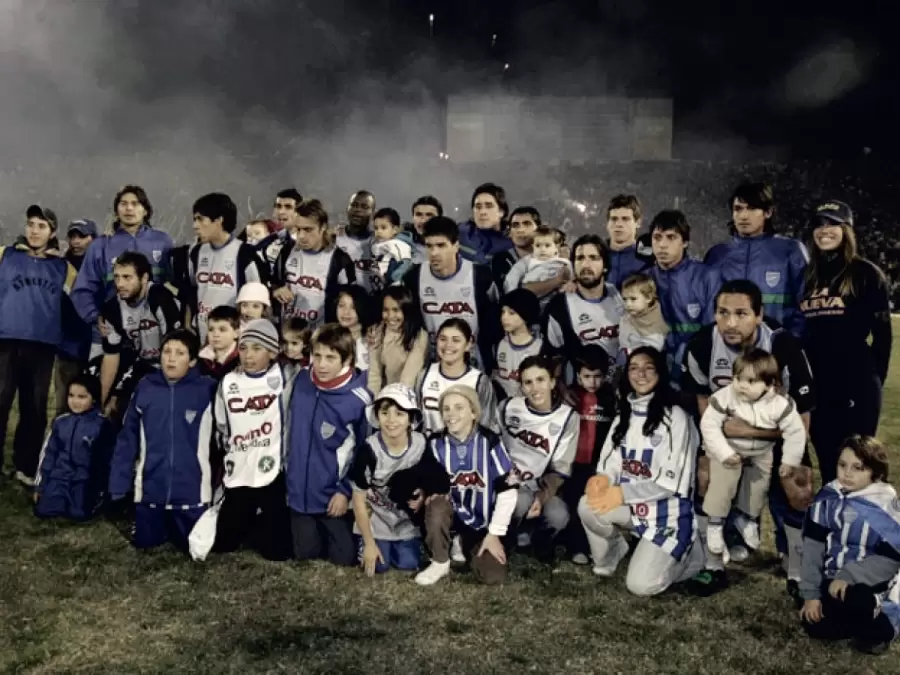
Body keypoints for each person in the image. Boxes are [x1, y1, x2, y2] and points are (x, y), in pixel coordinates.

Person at [681, 279, 816, 598]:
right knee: (706, 483)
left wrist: (786, 459)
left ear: (759, 315)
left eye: (741, 313)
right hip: (726, 438)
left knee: (798, 492)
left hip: (780, 435)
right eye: (723, 313)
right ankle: (712, 566)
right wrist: (709, 452)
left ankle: (796, 569)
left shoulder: (783, 346)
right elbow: (704, 406)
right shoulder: (702, 345)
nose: (730, 322)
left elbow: (803, 417)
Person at [578, 347, 704, 595]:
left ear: (660, 373)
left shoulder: (676, 417)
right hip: (635, 509)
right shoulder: (624, 413)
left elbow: (670, 484)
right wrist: (603, 480)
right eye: (634, 368)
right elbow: (611, 463)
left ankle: (691, 557)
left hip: (667, 515)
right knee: (587, 504)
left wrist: (621, 494)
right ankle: (613, 553)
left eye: (648, 368)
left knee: (641, 586)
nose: (641, 374)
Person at [800, 200, 892, 485]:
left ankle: (862, 526)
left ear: (847, 230)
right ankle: (834, 527)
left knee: (858, 464)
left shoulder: (865, 273)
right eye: (819, 224)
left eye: (832, 224)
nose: (824, 230)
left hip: (856, 383)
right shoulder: (808, 276)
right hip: (819, 386)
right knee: (829, 464)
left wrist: (872, 378)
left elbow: (883, 336)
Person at [108, 329, 217, 552]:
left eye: (180, 353)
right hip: (150, 494)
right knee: (145, 545)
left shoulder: (207, 389)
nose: (171, 358)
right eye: (167, 351)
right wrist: (118, 486)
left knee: (195, 548)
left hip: (193, 496)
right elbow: (127, 439)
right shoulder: (146, 386)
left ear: (193, 360)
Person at [799, 435, 900, 656]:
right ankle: (856, 621)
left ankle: (878, 617)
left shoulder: (885, 504)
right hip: (833, 579)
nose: (847, 473)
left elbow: (890, 561)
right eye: (842, 465)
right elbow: (812, 550)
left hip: (872, 583)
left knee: (859, 601)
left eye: (858, 467)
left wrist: (848, 575)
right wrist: (810, 595)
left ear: (875, 471)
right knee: (815, 625)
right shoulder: (827, 499)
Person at [700, 349, 807, 555]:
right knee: (722, 486)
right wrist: (723, 453)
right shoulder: (724, 397)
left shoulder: (780, 404)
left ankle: (747, 518)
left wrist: (790, 461)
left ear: (769, 384)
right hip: (728, 448)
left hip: (761, 451)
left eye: (750, 381)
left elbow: (795, 432)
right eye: (738, 378)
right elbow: (709, 425)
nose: (741, 385)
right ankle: (715, 523)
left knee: (759, 486)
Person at [0, 205, 78, 486]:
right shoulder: (5, 255)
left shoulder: (63, 267)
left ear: (52, 232)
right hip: (5, 341)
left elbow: (81, 302)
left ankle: (26, 465)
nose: (34, 230)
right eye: (31, 224)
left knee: (33, 407)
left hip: (42, 346)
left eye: (42, 226)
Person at [414, 385, 519, 586]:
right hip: (452, 516)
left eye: (459, 407)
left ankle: (465, 545)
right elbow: (427, 479)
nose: (451, 414)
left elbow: (509, 491)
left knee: (494, 576)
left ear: (473, 412)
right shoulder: (435, 443)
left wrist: (494, 534)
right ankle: (440, 561)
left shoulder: (490, 441)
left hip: (482, 523)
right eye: (446, 409)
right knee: (435, 505)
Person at [285, 323, 371, 566]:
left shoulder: (359, 399)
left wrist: (344, 491)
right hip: (298, 494)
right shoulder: (300, 380)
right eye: (317, 356)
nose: (321, 365)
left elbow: (364, 453)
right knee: (305, 554)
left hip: (333, 497)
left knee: (343, 558)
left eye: (331, 358)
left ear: (348, 359)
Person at [211, 319, 293, 561]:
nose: (248, 355)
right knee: (224, 544)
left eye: (257, 349)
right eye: (244, 348)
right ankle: (248, 517)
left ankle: (263, 520)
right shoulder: (228, 382)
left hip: (272, 468)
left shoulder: (286, 377)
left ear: (272, 352)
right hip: (240, 466)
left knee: (277, 553)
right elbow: (221, 423)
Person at [350, 383, 449, 576]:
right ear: (377, 416)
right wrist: (369, 543)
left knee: (408, 563)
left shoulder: (420, 443)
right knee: (379, 567)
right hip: (376, 519)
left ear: (411, 418)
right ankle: (366, 542)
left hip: (405, 523)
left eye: (400, 413)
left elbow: (431, 475)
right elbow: (358, 499)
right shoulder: (368, 450)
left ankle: (408, 544)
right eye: (385, 413)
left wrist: (422, 493)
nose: (391, 420)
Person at [71, 185, 174, 359]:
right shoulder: (101, 245)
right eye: (123, 203)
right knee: (102, 384)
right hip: (110, 331)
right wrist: (95, 317)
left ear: (146, 210)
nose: (129, 208)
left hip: (155, 333)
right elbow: (82, 290)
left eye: (135, 203)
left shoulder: (163, 242)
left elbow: (175, 285)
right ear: (116, 210)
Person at [498, 355, 578, 565]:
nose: (535, 388)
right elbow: (492, 448)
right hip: (509, 483)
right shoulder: (507, 407)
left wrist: (542, 496)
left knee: (559, 515)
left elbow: (561, 468)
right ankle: (505, 538)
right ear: (521, 386)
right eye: (528, 382)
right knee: (519, 501)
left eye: (541, 380)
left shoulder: (568, 417)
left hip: (541, 486)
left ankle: (539, 540)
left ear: (552, 381)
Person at [704, 182, 808, 338]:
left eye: (752, 208)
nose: (744, 216)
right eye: (738, 209)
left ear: (768, 212)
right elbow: (708, 308)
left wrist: (790, 342)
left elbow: (806, 304)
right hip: (728, 346)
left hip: (775, 347)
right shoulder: (716, 255)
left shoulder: (791, 251)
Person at [402, 216, 500, 372]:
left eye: (441, 245)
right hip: (431, 362)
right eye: (429, 246)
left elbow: (496, 318)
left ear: (456, 245)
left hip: (474, 362)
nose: (434, 252)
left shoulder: (480, 276)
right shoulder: (413, 277)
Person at [98, 252, 183, 411]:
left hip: (171, 363)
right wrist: (102, 403)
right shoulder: (112, 308)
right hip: (142, 362)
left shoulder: (160, 298)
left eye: (127, 277)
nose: (120, 284)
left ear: (144, 278)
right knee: (118, 405)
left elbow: (176, 347)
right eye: (116, 277)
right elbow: (111, 356)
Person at [646, 210, 720, 382]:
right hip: (654, 371)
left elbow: (713, 330)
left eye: (671, 237)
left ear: (685, 242)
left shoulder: (707, 277)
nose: (662, 245)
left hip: (697, 369)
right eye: (657, 237)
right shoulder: (643, 280)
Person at [189, 192, 270, 344]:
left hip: (236, 341)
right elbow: (191, 291)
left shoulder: (245, 254)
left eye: (200, 219)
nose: (195, 226)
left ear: (218, 220)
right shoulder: (196, 252)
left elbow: (260, 301)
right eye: (194, 219)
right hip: (203, 338)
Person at [33, 374, 115, 521]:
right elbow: (48, 454)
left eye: (82, 397)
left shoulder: (102, 425)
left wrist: (101, 488)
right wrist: (41, 486)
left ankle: (88, 501)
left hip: (84, 480)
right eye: (71, 395)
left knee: (79, 514)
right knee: (44, 510)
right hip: (59, 477)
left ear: (93, 398)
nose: (75, 401)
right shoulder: (60, 422)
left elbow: (107, 461)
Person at [562, 345, 616, 564]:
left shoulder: (609, 397)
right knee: (574, 504)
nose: (592, 382)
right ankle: (576, 548)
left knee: (594, 505)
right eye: (587, 376)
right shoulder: (571, 396)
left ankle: (600, 547)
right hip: (575, 463)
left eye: (597, 376)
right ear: (577, 375)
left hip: (598, 464)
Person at [542, 233, 624, 373]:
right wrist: (562, 387)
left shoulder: (622, 294)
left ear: (605, 265)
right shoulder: (558, 306)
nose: (586, 264)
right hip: (582, 389)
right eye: (580, 258)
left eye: (593, 258)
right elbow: (553, 356)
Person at [273, 199, 356, 329]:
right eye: (298, 229)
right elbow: (273, 283)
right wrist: (276, 291)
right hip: (290, 336)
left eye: (308, 229)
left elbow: (348, 303)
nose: (301, 236)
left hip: (321, 338)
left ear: (323, 227)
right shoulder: (287, 251)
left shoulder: (340, 260)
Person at [415, 319, 497, 435]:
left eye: (456, 340)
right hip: (429, 449)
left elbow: (486, 427)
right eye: (443, 339)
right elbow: (417, 420)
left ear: (468, 345)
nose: (448, 345)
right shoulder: (425, 375)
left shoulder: (479, 382)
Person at [55, 219, 98, 416]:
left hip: (97, 344)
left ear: (93, 238)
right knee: (65, 403)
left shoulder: (102, 268)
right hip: (67, 344)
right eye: (73, 236)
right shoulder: (60, 267)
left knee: (96, 401)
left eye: (82, 236)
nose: (76, 241)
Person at [367, 285, 429, 395]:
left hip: (407, 396)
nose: (390, 316)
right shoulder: (377, 331)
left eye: (396, 310)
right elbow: (374, 374)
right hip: (385, 394)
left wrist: (394, 404)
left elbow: (407, 380)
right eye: (386, 310)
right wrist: (372, 403)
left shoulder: (419, 337)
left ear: (407, 311)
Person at [503, 227, 573, 309]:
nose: (542, 249)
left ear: (556, 248)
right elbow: (513, 276)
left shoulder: (562, 262)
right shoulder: (528, 260)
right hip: (530, 294)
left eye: (547, 245)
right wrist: (511, 294)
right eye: (538, 245)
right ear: (533, 247)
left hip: (555, 296)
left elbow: (570, 279)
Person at [492, 289, 543, 400]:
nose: (504, 317)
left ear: (525, 314)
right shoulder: (499, 343)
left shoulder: (539, 347)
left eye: (511, 313)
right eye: (503, 312)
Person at [458, 183, 514, 266]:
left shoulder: (511, 243)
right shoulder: (460, 233)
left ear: (501, 212)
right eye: (478, 206)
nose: (482, 212)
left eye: (489, 206)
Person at [617, 273, 669, 362]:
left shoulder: (660, 317)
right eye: (625, 299)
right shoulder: (626, 317)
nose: (628, 304)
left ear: (648, 298)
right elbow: (623, 342)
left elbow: (655, 347)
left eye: (633, 299)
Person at [605, 194, 653, 289]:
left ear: (638, 223)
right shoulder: (596, 254)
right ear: (607, 223)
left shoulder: (649, 259)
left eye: (625, 219)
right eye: (614, 219)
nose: (619, 224)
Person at [327, 284, 376, 373]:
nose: (346, 312)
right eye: (341, 305)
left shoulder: (372, 339)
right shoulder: (326, 338)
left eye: (353, 307)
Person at [336, 189, 377, 292]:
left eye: (364, 207)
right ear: (347, 209)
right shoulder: (334, 240)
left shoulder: (379, 243)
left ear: (373, 213)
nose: (357, 210)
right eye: (354, 205)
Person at [492, 206, 539, 290]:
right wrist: (556, 281)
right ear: (510, 232)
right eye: (515, 225)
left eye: (527, 224)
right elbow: (510, 293)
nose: (520, 230)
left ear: (539, 230)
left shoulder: (551, 257)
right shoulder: (501, 259)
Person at [370, 207, 413, 290]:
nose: (379, 231)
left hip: (393, 288)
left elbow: (405, 263)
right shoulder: (376, 245)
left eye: (383, 228)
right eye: (376, 228)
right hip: (379, 286)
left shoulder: (398, 244)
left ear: (395, 230)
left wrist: (394, 278)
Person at [198, 305, 240, 380]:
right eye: (211, 329)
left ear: (236, 333)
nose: (216, 334)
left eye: (222, 330)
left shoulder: (242, 360)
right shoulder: (201, 360)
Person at [400, 195, 443, 264]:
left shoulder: (450, 247)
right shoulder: (400, 244)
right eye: (418, 215)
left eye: (429, 215)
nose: (423, 220)